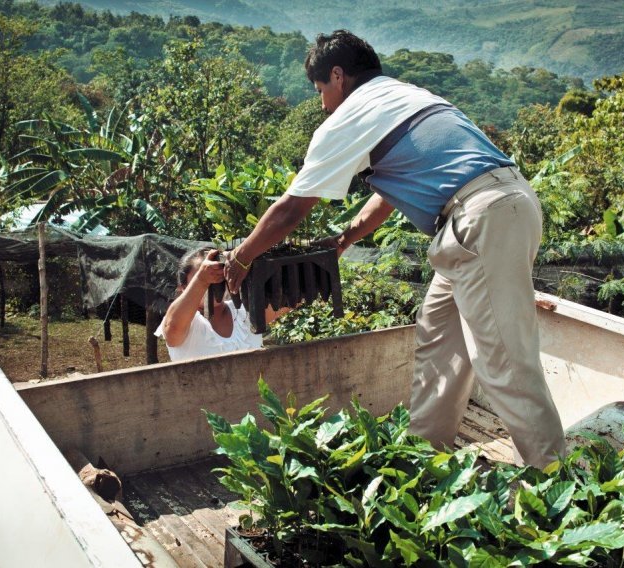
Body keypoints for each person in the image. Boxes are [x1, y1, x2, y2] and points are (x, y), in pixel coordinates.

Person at [223, 30, 565, 468]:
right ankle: (423, 461)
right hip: (496, 209)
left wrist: (242, 257)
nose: (322, 103)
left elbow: (291, 209)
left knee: (505, 362)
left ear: (338, 75)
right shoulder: (404, 96)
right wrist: (348, 235)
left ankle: (554, 484)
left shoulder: (348, 117)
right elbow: (389, 191)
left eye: (320, 90)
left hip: (479, 219)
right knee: (439, 337)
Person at [156, 248, 285, 362]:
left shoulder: (243, 311)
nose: (213, 283)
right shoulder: (184, 321)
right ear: (183, 288)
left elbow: (289, 301)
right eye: (208, 278)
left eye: (218, 276)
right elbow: (172, 330)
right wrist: (201, 280)